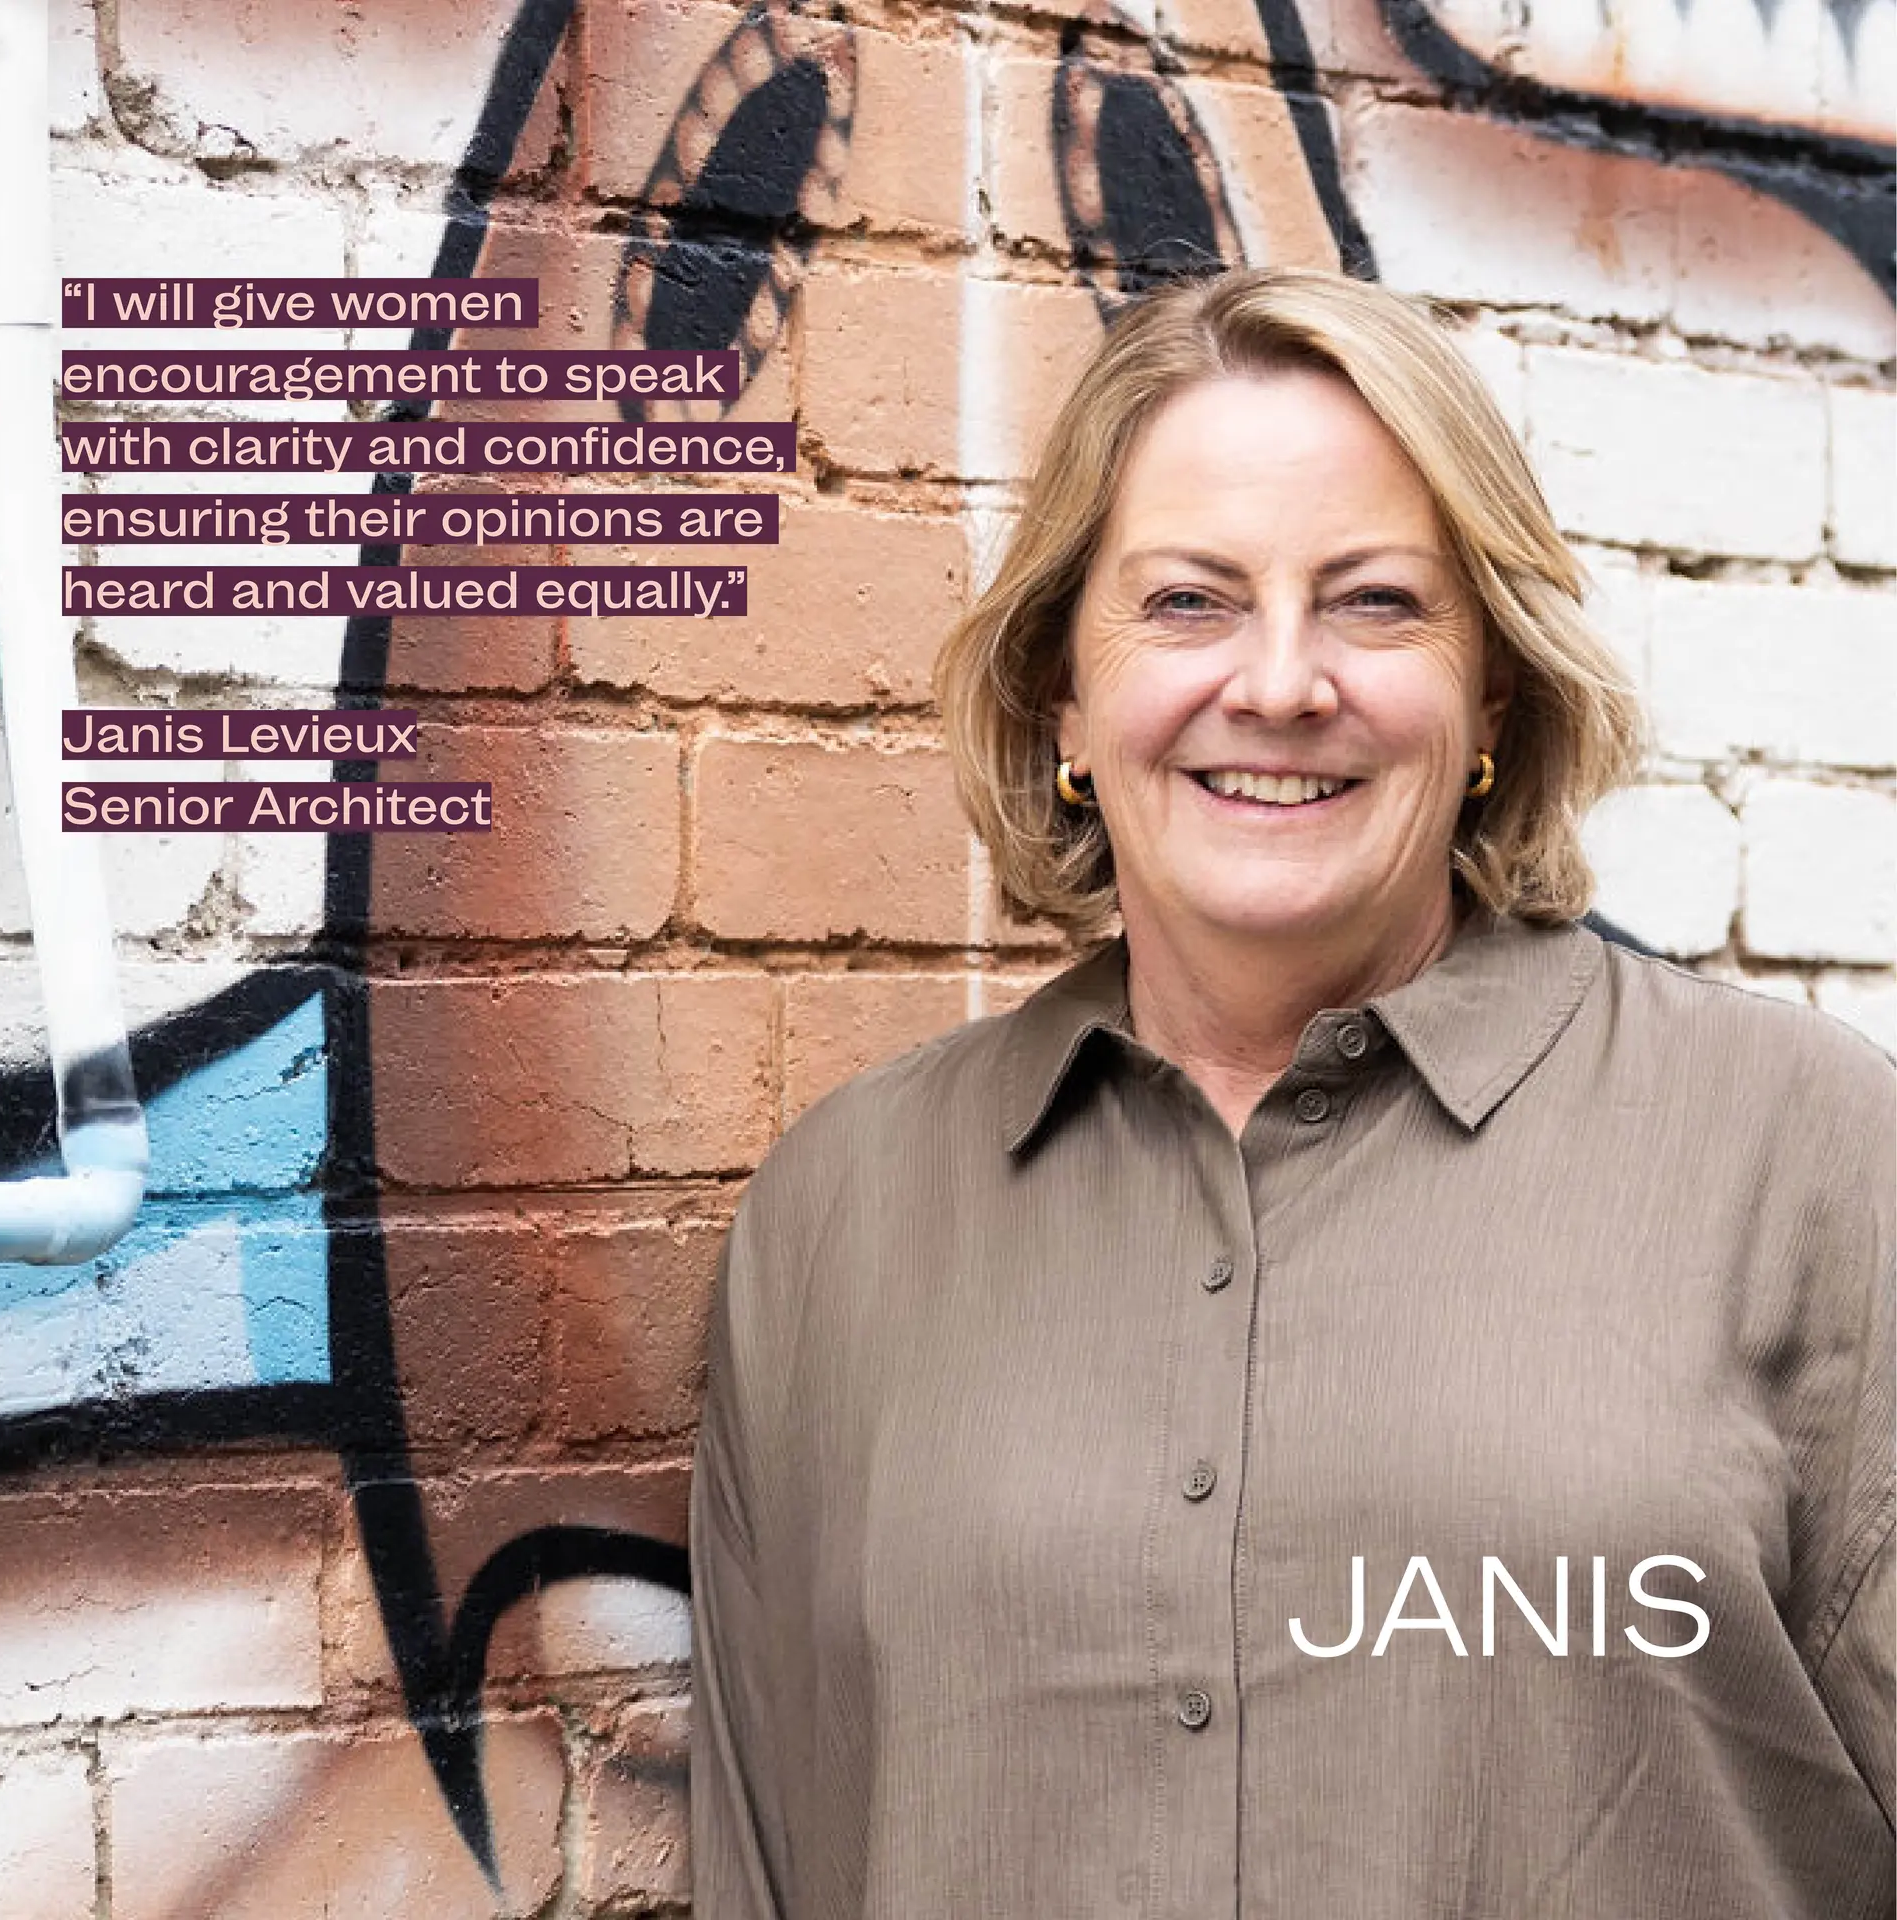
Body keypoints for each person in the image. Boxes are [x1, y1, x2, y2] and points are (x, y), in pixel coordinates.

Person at [688, 268, 1894, 1920]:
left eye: (1376, 603)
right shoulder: (840, 1218)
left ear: (1491, 698)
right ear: (1068, 698)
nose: (1278, 682)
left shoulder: (1816, 1162)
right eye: (1188, 601)